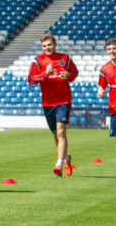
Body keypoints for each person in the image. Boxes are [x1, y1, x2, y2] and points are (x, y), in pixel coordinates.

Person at [28, 33, 78, 177]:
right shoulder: (37, 61)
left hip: (63, 101)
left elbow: (74, 72)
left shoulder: (65, 58)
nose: (47, 48)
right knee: (55, 133)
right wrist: (44, 74)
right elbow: (30, 79)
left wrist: (68, 76)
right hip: (48, 103)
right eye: (44, 46)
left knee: (61, 132)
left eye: (49, 45)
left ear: (55, 45)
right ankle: (66, 158)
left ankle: (59, 164)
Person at [97, 38, 116, 160]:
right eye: (109, 49)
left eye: (114, 48)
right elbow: (100, 90)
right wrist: (100, 94)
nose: (111, 51)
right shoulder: (104, 69)